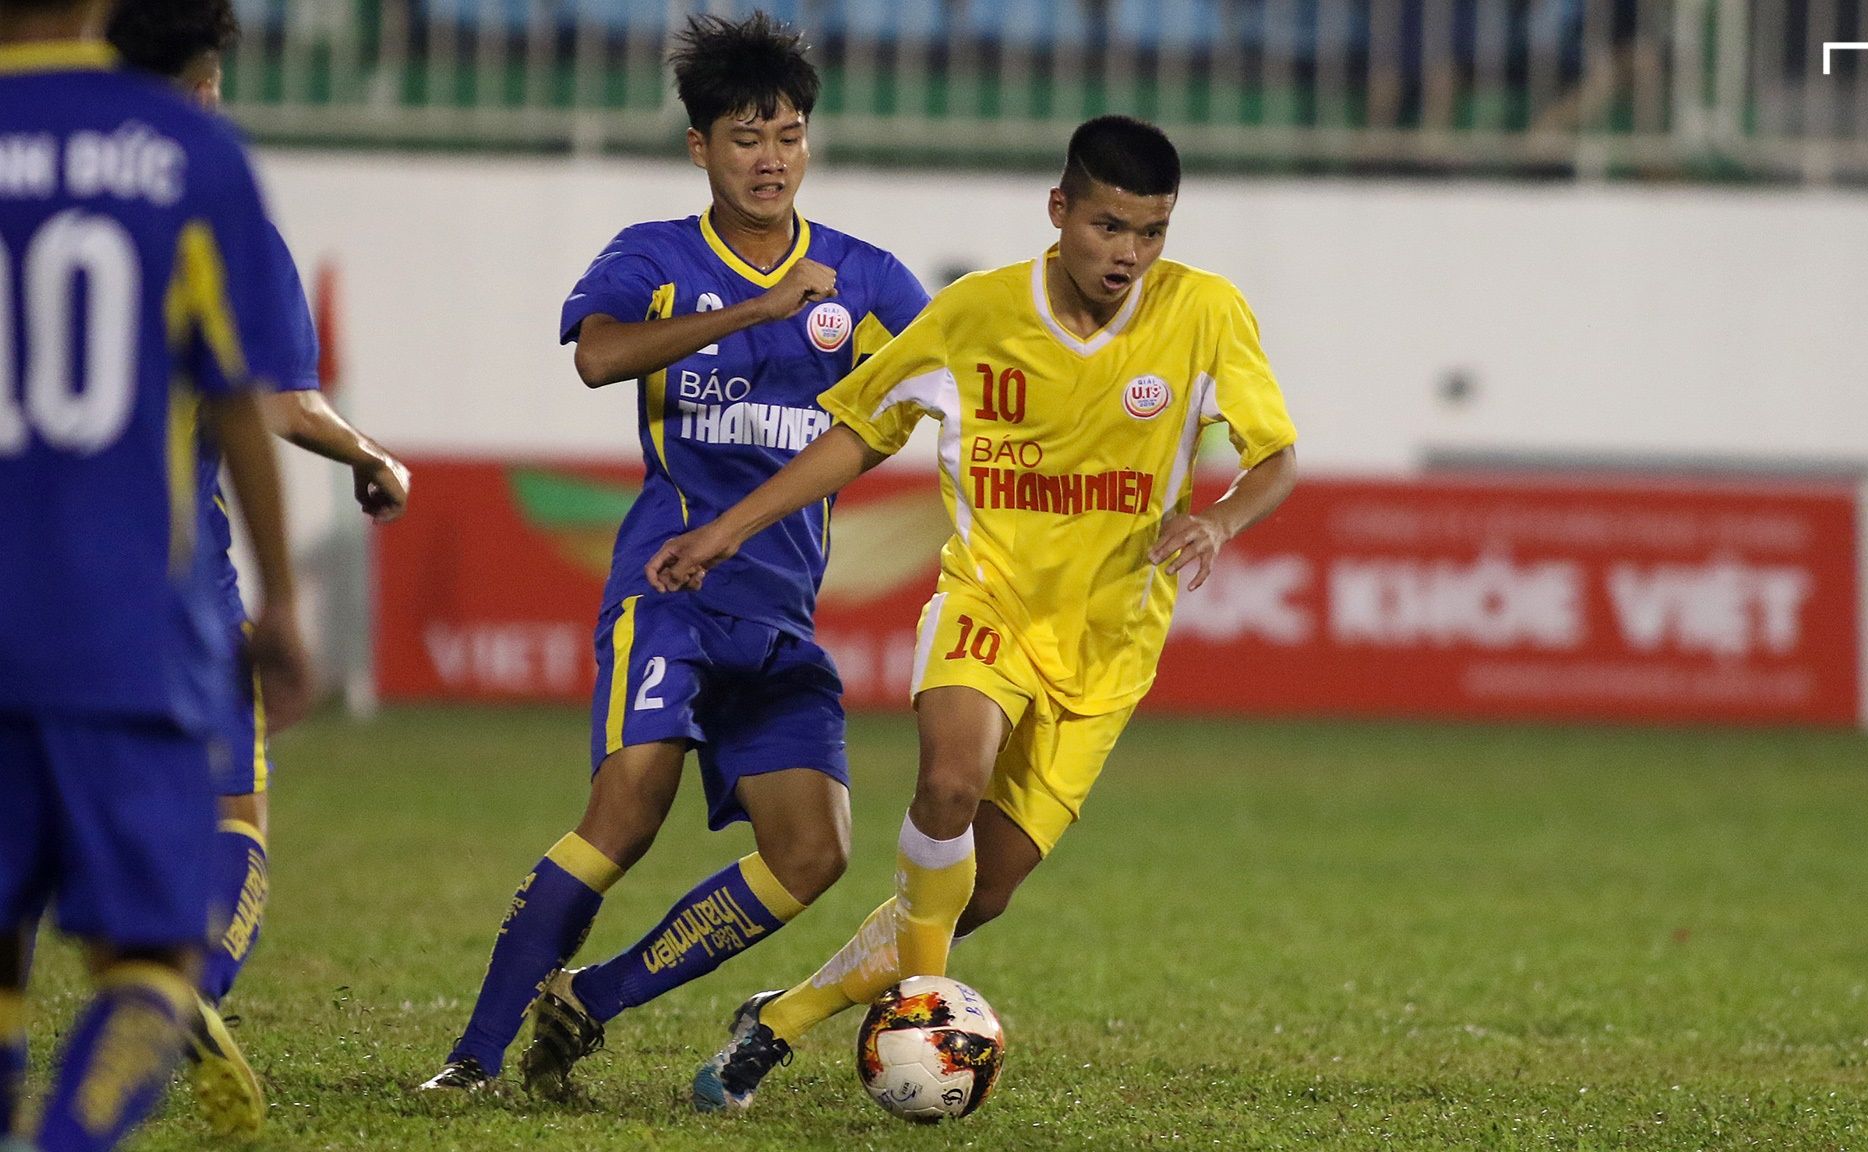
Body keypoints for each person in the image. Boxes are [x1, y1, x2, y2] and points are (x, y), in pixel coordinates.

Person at [654, 114, 1301, 1113]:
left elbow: (1273, 456)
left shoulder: (1204, 315)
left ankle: (779, 1019)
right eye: (1107, 226)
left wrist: (1217, 523)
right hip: (986, 603)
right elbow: (858, 433)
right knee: (947, 784)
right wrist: (725, 530)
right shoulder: (974, 314)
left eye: (1150, 232)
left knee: (976, 895)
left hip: (1109, 648)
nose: (1126, 253)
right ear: (1059, 211)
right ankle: (917, 1007)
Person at [418, 11, 929, 1098]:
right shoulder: (651, 256)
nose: (771, 158)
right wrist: (754, 308)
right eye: (746, 138)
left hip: (779, 614)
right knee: (626, 810)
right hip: (668, 593)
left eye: (788, 134)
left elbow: (946, 385)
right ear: (700, 146)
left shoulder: (869, 280)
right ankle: (473, 1057)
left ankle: (592, 999)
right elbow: (597, 358)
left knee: (814, 852)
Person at [90, 0, 412, 1137]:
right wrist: (367, 455)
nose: (217, 93)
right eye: (210, 71)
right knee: (236, 817)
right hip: (179, 576)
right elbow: (276, 403)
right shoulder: (217, 206)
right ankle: (187, 987)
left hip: (37, 558)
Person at [0, 0, 313, 1148]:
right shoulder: (183, 152)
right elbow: (242, 394)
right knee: (149, 962)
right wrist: (280, 598)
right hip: (117, 625)